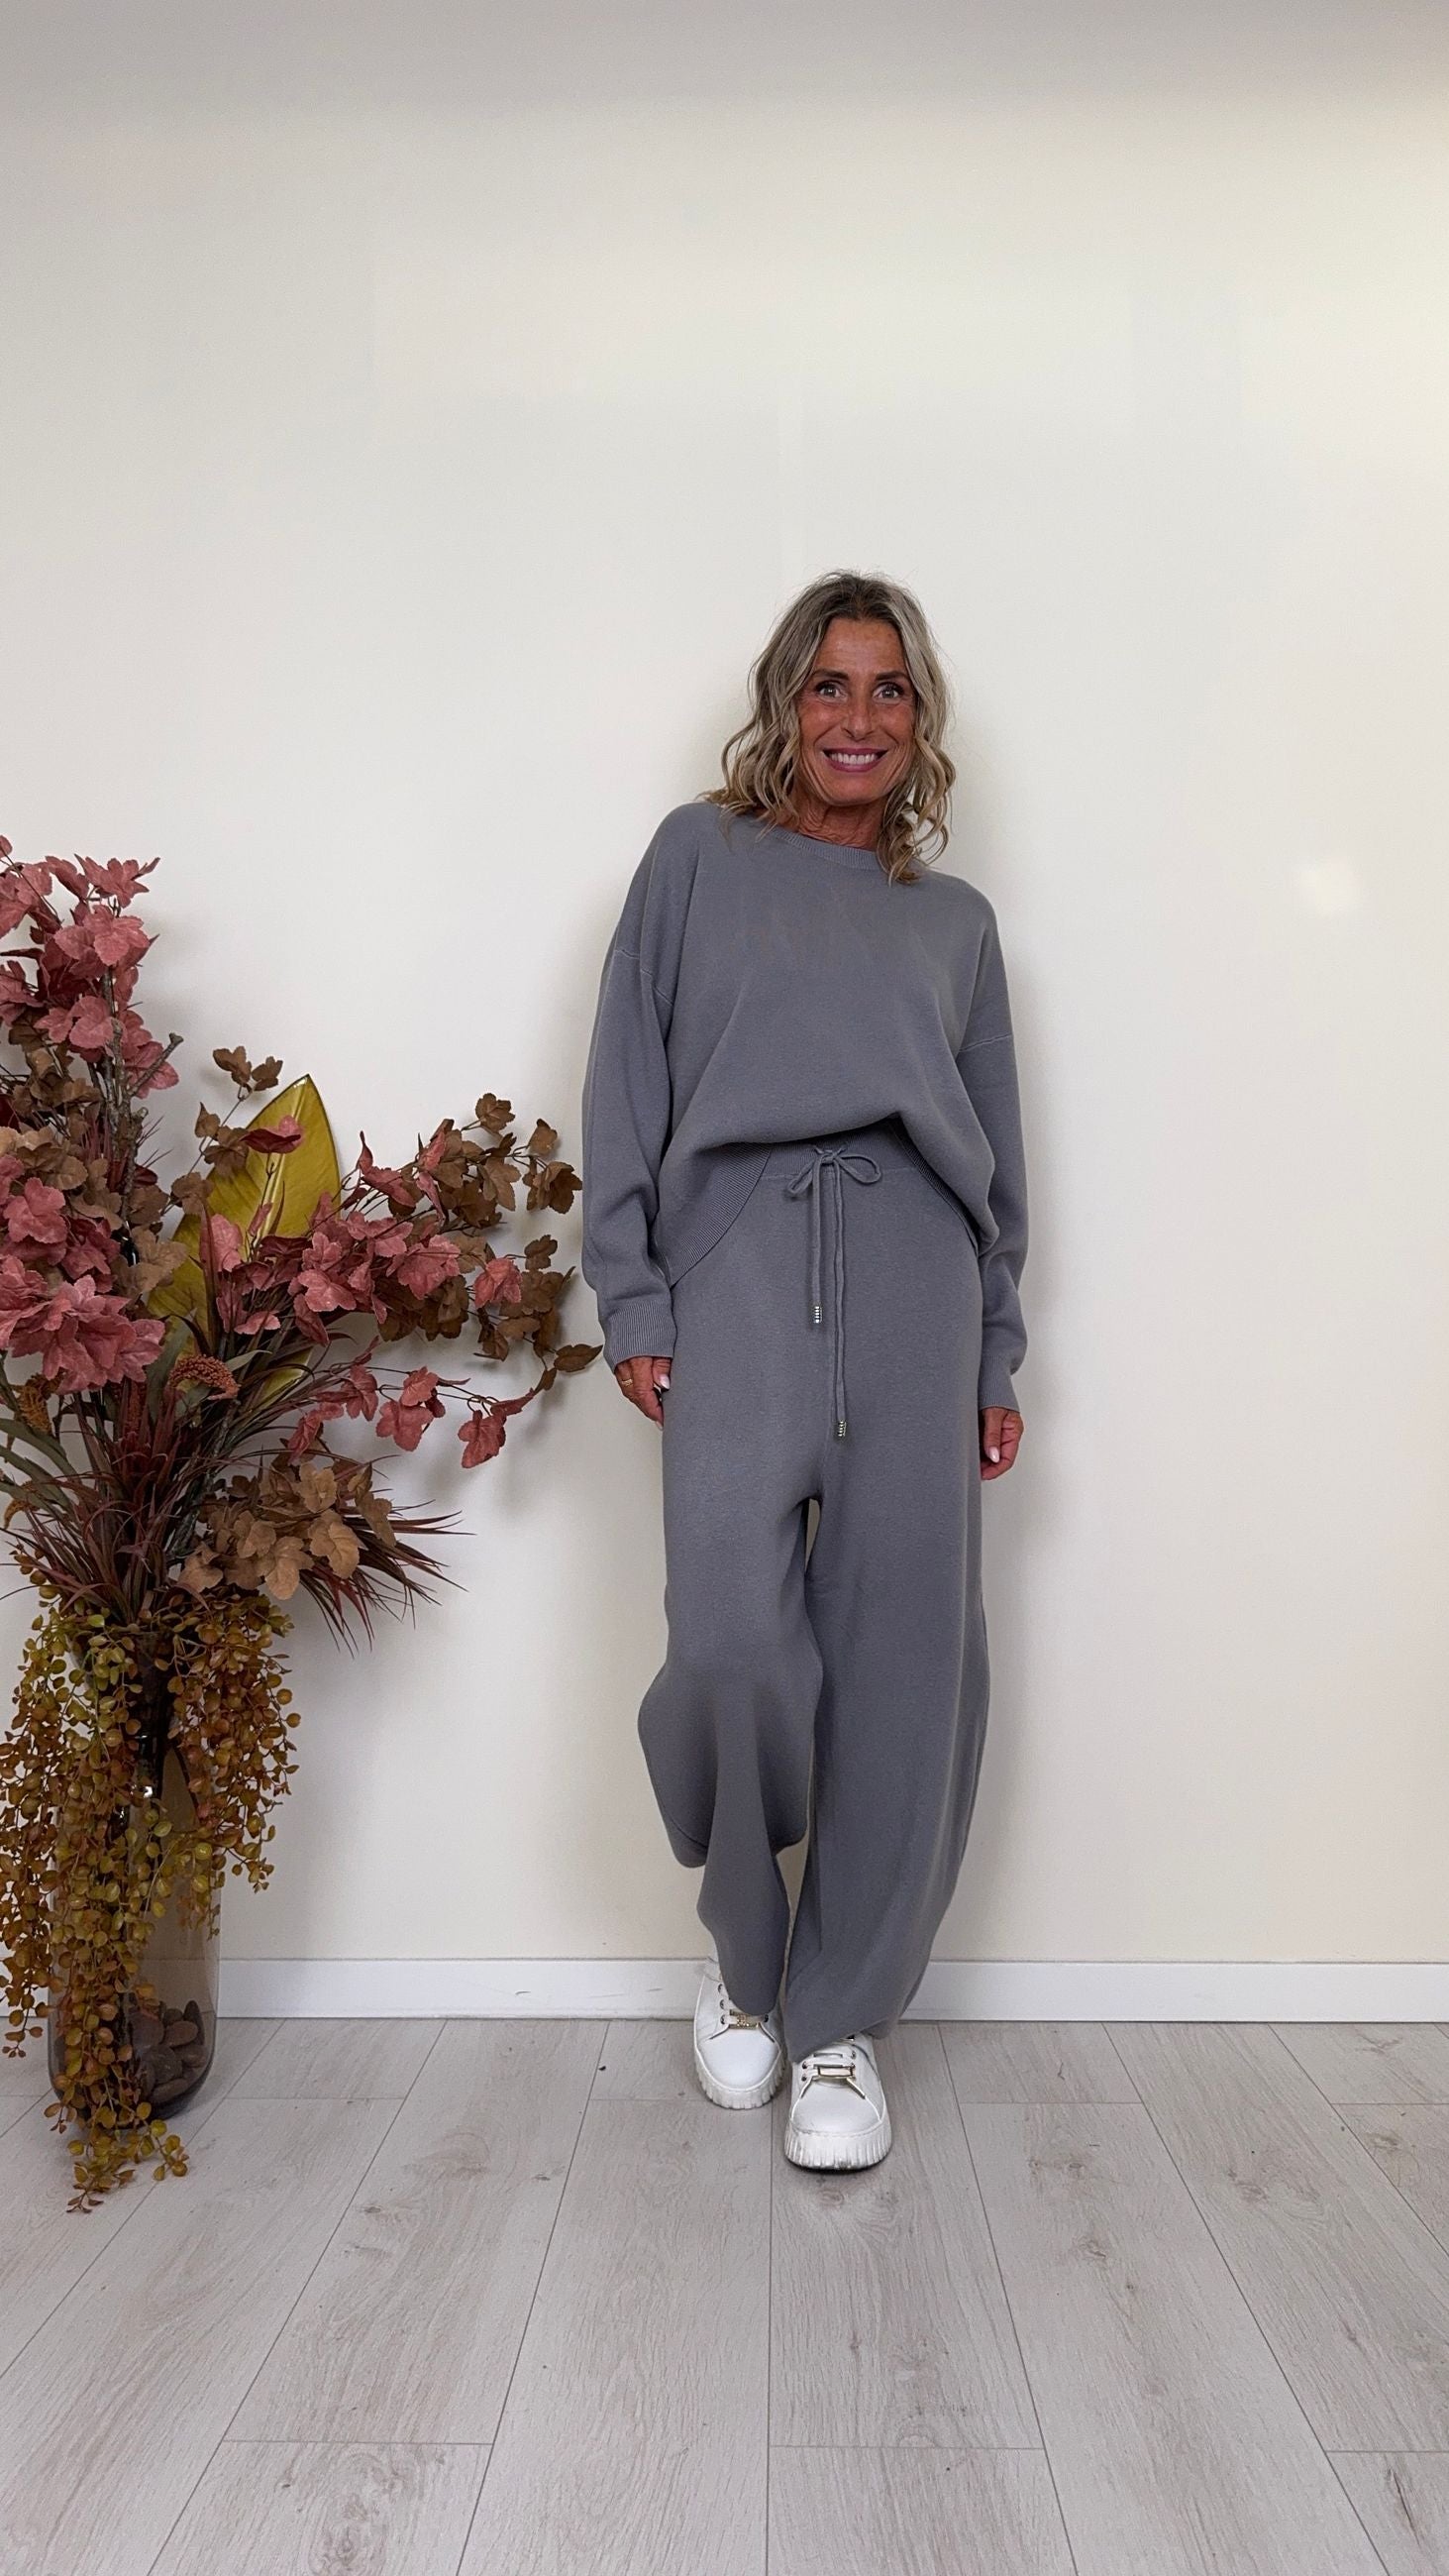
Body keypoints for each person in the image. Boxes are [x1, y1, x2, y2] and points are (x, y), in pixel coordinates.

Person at [579, 569, 1028, 2172]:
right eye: (830, 684)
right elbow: (625, 1080)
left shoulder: (955, 924)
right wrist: (635, 1298)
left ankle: (839, 2021)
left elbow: (998, 1160)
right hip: (738, 1280)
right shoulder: (696, 860)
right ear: (786, 701)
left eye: (888, 688)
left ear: (921, 720)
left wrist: (995, 1346)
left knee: (910, 1666)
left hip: (919, 1288)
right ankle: (744, 1961)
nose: (858, 717)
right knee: (728, 1641)